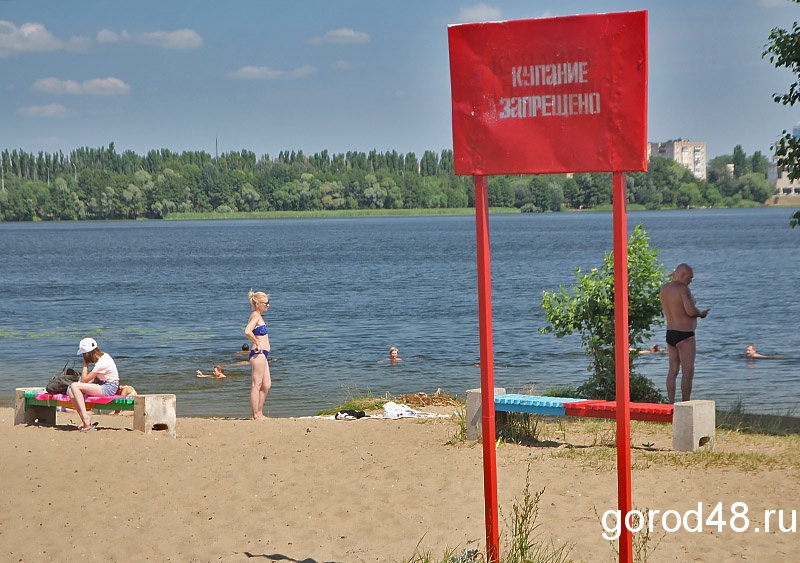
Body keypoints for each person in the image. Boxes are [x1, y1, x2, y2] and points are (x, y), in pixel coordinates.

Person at [659, 264, 710, 403]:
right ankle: (685, 403)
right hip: (685, 335)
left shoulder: (664, 289)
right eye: (690, 277)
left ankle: (670, 403)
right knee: (687, 371)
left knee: (673, 369)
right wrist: (701, 313)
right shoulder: (683, 289)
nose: (691, 281)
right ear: (682, 275)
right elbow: (690, 311)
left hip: (670, 333)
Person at [67, 337, 120, 431]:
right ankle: (84, 420)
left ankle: (86, 418)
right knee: (71, 390)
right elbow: (95, 379)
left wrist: (85, 365)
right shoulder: (103, 356)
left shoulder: (101, 363)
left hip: (109, 387)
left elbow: (84, 380)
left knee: (75, 386)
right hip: (102, 384)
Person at [245, 290, 272, 420]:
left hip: (264, 354)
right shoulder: (255, 316)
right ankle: (255, 415)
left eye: (268, 303)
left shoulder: (259, 316)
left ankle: (260, 412)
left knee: (267, 384)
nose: (267, 305)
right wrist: (257, 342)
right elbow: (247, 331)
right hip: (258, 353)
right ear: (257, 304)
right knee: (257, 384)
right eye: (265, 303)